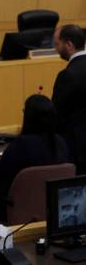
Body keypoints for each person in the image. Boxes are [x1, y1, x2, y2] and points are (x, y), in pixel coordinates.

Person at [0, 94, 70, 198]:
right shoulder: (61, 142)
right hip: (52, 205)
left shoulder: (21, 145)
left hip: (20, 204)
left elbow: (1, 174)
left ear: (28, 117)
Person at [52, 24, 86, 170]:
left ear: (69, 45)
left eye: (57, 44)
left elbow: (55, 114)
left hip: (77, 149)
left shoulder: (68, 75)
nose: (55, 49)